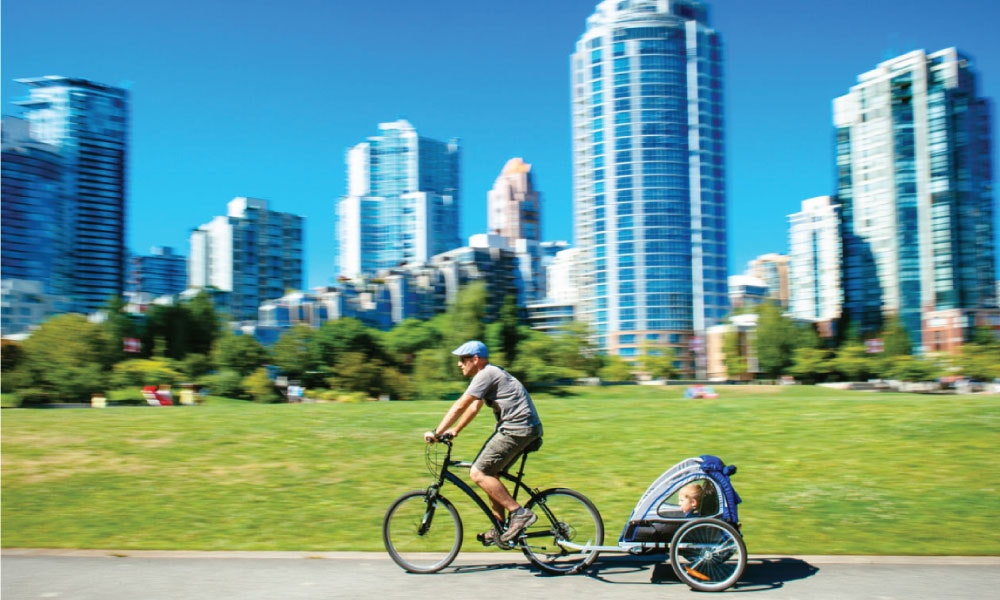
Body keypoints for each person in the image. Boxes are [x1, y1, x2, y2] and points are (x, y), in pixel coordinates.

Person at [424, 340, 543, 546]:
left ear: (475, 359)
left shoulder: (486, 374)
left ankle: (519, 514)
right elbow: (473, 408)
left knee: (478, 472)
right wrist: (455, 431)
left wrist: (437, 432)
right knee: (491, 473)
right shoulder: (489, 374)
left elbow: (461, 405)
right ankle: (500, 527)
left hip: (517, 428)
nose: (460, 364)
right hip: (525, 428)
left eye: (463, 360)